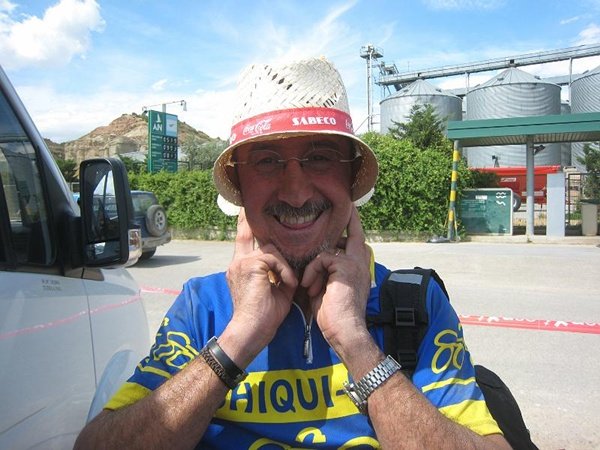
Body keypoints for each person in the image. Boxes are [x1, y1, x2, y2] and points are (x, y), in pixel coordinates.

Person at [75, 57, 510, 449]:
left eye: (320, 157)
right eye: (266, 161)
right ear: (240, 189)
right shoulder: (201, 307)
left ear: (351, 180)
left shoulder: (414, 304)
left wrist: (357, 344)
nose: (297, 193)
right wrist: (238, 339)